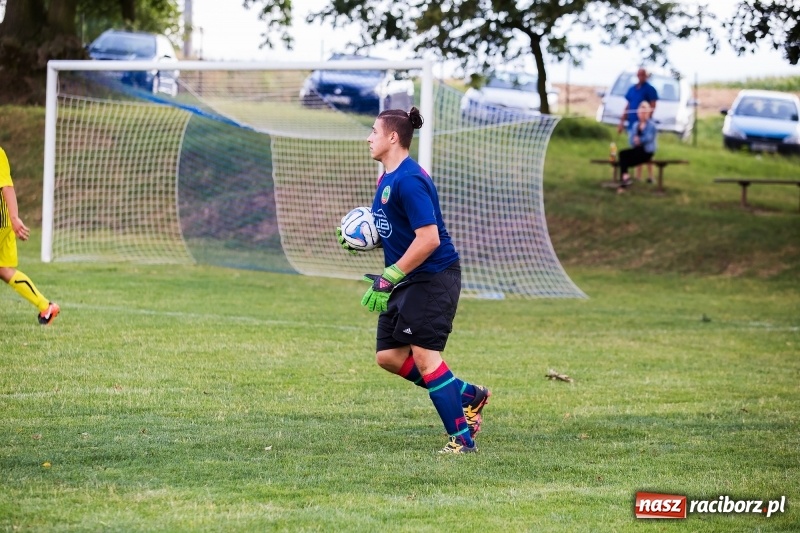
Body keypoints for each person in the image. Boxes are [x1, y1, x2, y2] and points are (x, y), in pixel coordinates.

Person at [336, 107, 490, 454]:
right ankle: (470, 395)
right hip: (406, 280)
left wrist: (390, 275)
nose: (369, 137)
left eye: (374, 131)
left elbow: (429, 239)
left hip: (432, 278)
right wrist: (365, 236)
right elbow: (399, 230)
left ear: (393, 137)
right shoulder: (386, 178)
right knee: (389, 356)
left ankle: (462, 440)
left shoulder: (410, 179)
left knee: (425, 357)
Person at [0, 146, 60, 325]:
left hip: (2, 221)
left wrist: (14, 217)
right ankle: (46, 306)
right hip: (5, 223)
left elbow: (7, 186)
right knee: (4, 270)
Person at [618, 68, 658, 182]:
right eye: (639, 75)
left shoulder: (650, 89)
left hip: (645, 124)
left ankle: (650, 176)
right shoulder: (632, 89)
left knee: (645, 148)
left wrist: (647, 118)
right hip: (633, 122)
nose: (641, 77)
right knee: (634, 148)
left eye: (643, 75)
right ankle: (637, 176)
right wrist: (622, 122)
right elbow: (628, 105)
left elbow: (653, 104)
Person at [617, 102, 658, 194]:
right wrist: (635, 141)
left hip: (646, 151)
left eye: (644, 112)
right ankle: (625, 178)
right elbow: (631, 139)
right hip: (637, 149)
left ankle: (623, 184)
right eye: (640, 112)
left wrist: (640, 140)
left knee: (625, 161)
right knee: (622, 154)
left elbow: (649, 138)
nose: (642, 114)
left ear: (647, 113)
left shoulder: (651, 125)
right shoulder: (635, 125)